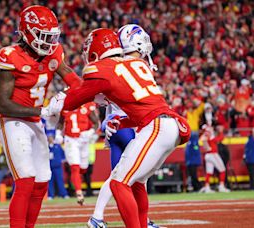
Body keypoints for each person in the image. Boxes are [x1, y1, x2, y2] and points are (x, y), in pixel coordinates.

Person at [45, 26, 190, 228]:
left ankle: (106, 219)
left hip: (156, 127)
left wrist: (59, 101)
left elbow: (73, 101)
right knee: (137, 181)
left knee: (118, 182)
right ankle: (141, 224)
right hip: (168, 125)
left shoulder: (103, 68)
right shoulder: (135, 64)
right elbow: (141, 107)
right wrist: (123, 121)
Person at [0, 5, 81, 227]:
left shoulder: (54, 53)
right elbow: (2, 104)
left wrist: (95, 92)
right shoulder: (10, 56)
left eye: (51, 37)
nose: (48, 42)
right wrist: (42, 111)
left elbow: (74, 81)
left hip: (35, 121)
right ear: (27, 32)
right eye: (43, 36)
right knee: (26, 179)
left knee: (42, 180)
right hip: (12, 120)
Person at [59, 102, 99, 205]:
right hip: (71, 140)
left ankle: (76, 180)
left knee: (83, 168)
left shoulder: (86, 106)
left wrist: (90, 132)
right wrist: (58, 133)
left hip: (83, 140)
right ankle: (79, 193)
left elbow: (96, 123)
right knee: (75, 167)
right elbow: (60, 123)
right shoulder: (65, 107)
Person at [199, 125, 230, 193]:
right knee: (222, 170)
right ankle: (221, 186)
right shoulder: (209, 135)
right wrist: (221, 132)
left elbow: (203, 139)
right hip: (213, 154)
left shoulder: (206, 135)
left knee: (209, 172)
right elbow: (220, 139)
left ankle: (207, 187)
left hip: (208, 155)